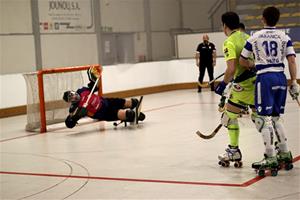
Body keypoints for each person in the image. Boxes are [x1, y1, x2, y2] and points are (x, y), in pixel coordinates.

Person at [239, 6, 299, 172]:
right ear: (277, 19)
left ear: (262, 19)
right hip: (280, 77)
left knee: (263, 118)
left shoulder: (254, 37)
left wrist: (253, 64)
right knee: (276, 117)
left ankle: (270, 155)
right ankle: (285, 153)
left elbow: (242, 60)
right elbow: (292, 60)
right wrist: (294, 82)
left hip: (264, 78)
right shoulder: (284, 37)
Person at [214, 12, 257, 167]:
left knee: (228, 117)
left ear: (225, 25)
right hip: (256, 82)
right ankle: (276, 151)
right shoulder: (247, 37)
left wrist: (222, 86)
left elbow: (231, 69)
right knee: (261, 119)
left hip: (243, 87)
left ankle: (233, 151)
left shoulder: (228, 42)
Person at [63, 67, 145, 129]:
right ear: (71, 101)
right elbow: (69, 123)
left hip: (107, 102)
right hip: (104, 113)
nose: (73, 96)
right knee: (129, 114)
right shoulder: (74, 108)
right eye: (71, 98)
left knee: (134, 102)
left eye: (72, 94)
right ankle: (129, 116)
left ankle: (131, 112)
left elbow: (95, 86)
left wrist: (93, 77)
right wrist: (76, 116)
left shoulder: (81, 91)